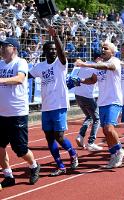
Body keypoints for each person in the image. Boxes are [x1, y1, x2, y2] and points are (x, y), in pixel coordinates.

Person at [29, 27, 78, 176]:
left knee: (59, 136)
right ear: (44, 52)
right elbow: (26, 75)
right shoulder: (39, 67)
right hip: (46, 107)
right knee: (49, 137)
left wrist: (55, 37)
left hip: (59, 105)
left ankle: (73, 154)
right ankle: (60, 165)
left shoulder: (60, 63)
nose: (52, 51)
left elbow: (62, 54)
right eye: (49, 49)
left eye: (54, 49)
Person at [75, 42, 124, 169]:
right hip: (102, 101)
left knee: (109, 128)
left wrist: (84, 64)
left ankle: (119, 150)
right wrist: (79, 80)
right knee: (105, 131)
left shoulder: (115, 61)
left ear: (112, 52)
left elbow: (107, 66)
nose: (102, 49)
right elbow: (92, 80)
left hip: (114, 100)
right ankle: (113, 153)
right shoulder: (99, 66)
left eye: (105, 48)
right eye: (102, 48)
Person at [0, 37, 40, 187]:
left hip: (17, 113)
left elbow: (20, 78)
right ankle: (8, 176)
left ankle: (34, 166)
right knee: (0, 147)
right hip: (1, 114)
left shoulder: (20, 62)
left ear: (15, 49)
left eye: (6, 46)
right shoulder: (0, 64)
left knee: (20, 149)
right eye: (1, 46)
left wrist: (1, 80)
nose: (2, 49)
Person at [74, 51, 102, 152]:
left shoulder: (84, 65)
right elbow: (93, 80)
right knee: (97, 118)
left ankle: (80, 136)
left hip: (78, 95)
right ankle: (91, 142)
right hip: (87, 96)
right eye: (101, 59)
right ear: (98, 58)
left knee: (89, 116)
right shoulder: (94, 67)